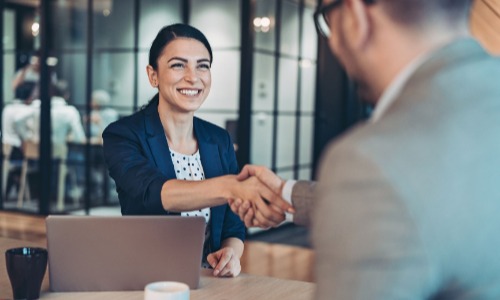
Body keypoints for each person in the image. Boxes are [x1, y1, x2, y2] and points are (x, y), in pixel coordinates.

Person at [230, 0, 500, 298]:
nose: (331, 41)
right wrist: (283, 192)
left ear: (356, 15)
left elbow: (390, 191)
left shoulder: (369, 160)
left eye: (326, 24)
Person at [102, 24, 291, 278]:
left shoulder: (219, 139)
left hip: (208, 281)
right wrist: (232, 186)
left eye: (203, 65)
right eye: (178, 65)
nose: (193, 76)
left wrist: (231, 253)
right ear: (153, 75)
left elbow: (233, 225)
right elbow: (152, 192)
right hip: (146, 279)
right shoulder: (122, 135)